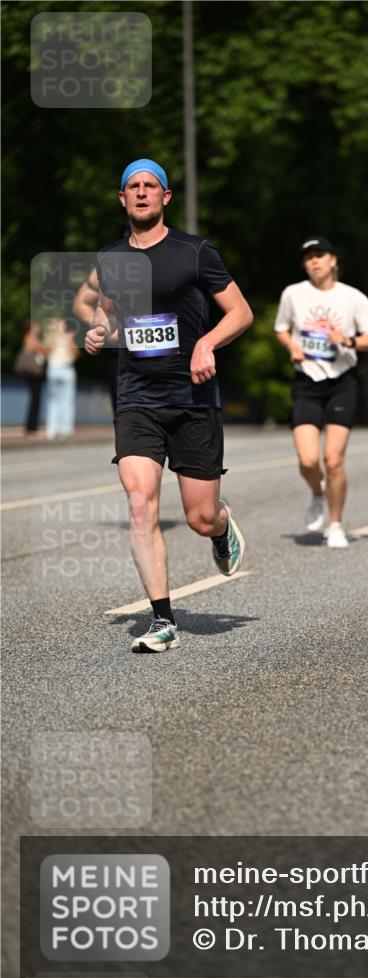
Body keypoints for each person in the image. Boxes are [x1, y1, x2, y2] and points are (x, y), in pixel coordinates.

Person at [84, 158, 253, 652]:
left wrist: (207, 344)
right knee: (140, 503)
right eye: (133, 186)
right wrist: (99, 330)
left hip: (192, 399)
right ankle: (163, 620)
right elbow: (109, 314)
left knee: (199, 517)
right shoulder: (112, 259)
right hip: (136, 396)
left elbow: (241, 313)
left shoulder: (195, 252)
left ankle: (220, 526)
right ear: (122, 198)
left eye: (150, 185)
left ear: (165, 197)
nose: (141, 192)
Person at [274, 235, 368, 548]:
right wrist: (292, 346)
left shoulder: (352, 297)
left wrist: (348, 340)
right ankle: (317, 492)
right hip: (306, 382)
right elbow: (281, 328)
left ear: (333, 260)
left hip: (341, 383)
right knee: (308, 461)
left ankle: (335, 524)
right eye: (309, 257)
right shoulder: (293, 294)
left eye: (320, 255)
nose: (314, 262)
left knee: (333, 460)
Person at [74, 266, 118, 414]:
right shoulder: (109, 266)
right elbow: (81, 303)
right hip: (121, 356)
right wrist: (101, 328)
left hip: (173, 356)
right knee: (126, 419)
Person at [43, 316, 79, 439]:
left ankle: (51, 430)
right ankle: (65, 430)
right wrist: (70, 340)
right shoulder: (68, 336)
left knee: (53, 400)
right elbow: (76, 354)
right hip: (66, 368)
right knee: (67, 400)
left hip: (53, 368)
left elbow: (45, 352)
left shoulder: (50, 336)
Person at [16, 319, 48, 435]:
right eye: (36, 326)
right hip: (33, 373)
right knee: (35, 400)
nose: (38, 329)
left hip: (34, 374)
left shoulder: (31, 338)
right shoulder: (30, 338)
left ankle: (32, 427)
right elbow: (44, 351)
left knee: (35, 399)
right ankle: (31, 428)